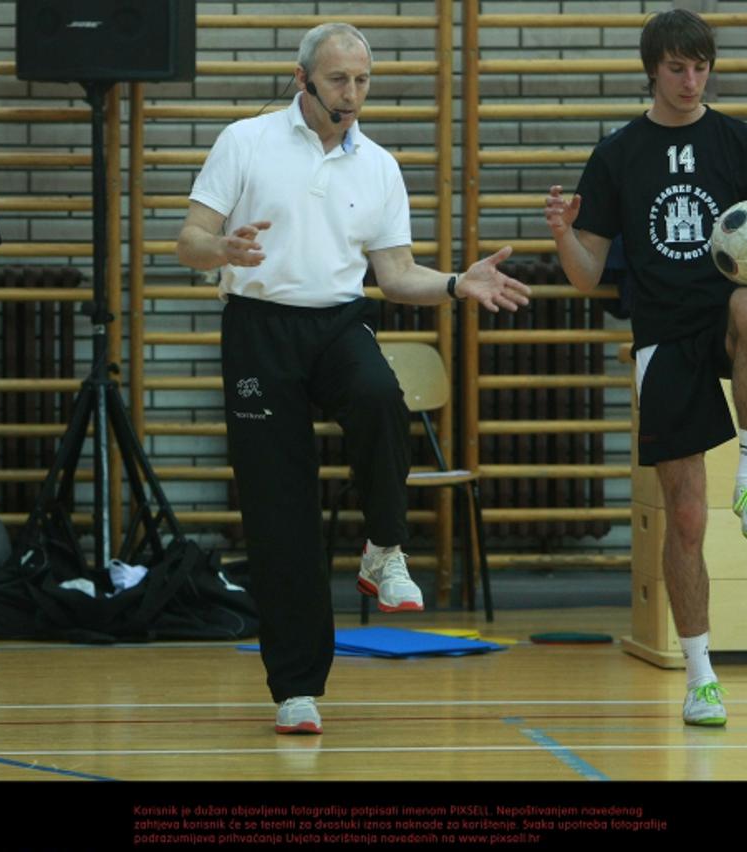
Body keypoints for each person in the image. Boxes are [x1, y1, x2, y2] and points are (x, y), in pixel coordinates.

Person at [176, 23, 530, 735]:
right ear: (301, 79)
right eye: (339, 80)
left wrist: (459, 282)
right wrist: (221, 246)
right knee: (282, 515)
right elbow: (188, 241)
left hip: (338, 321)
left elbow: (396, 276)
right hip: (259, 328)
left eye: (363, 80)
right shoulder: (245, 142)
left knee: (378, 394)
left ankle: (384, 549)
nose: (353, 93)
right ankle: (297, 688)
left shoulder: (379, 166)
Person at [544, 9, 747, 727]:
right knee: (685, 516)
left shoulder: (741, 144)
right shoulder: (620, 153)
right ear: (652, 70)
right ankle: (700, 676)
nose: (693, 81)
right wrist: (566, 235)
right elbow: (589, 277)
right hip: (663, 336)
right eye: (679, 68)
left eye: (702, 67)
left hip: (721, 321)